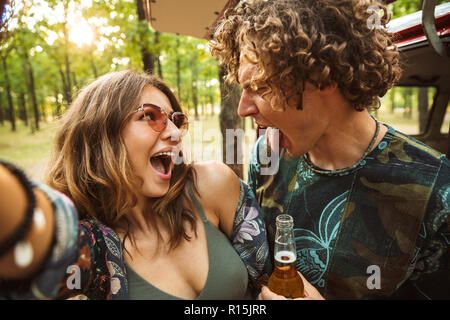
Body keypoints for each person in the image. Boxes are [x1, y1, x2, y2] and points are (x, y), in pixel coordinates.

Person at [211, 0, 450, 299]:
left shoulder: (438, 192)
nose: (243, 108)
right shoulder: (266, 156)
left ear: (321, 75)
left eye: (259, 88)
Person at [0, 70, 270, 300]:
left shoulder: (211, 185)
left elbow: (268, 284)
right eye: (150, 116)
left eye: (176, 120)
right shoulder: (94, 245)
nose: (175, 133)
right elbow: (32, 252)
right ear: (100, 134)